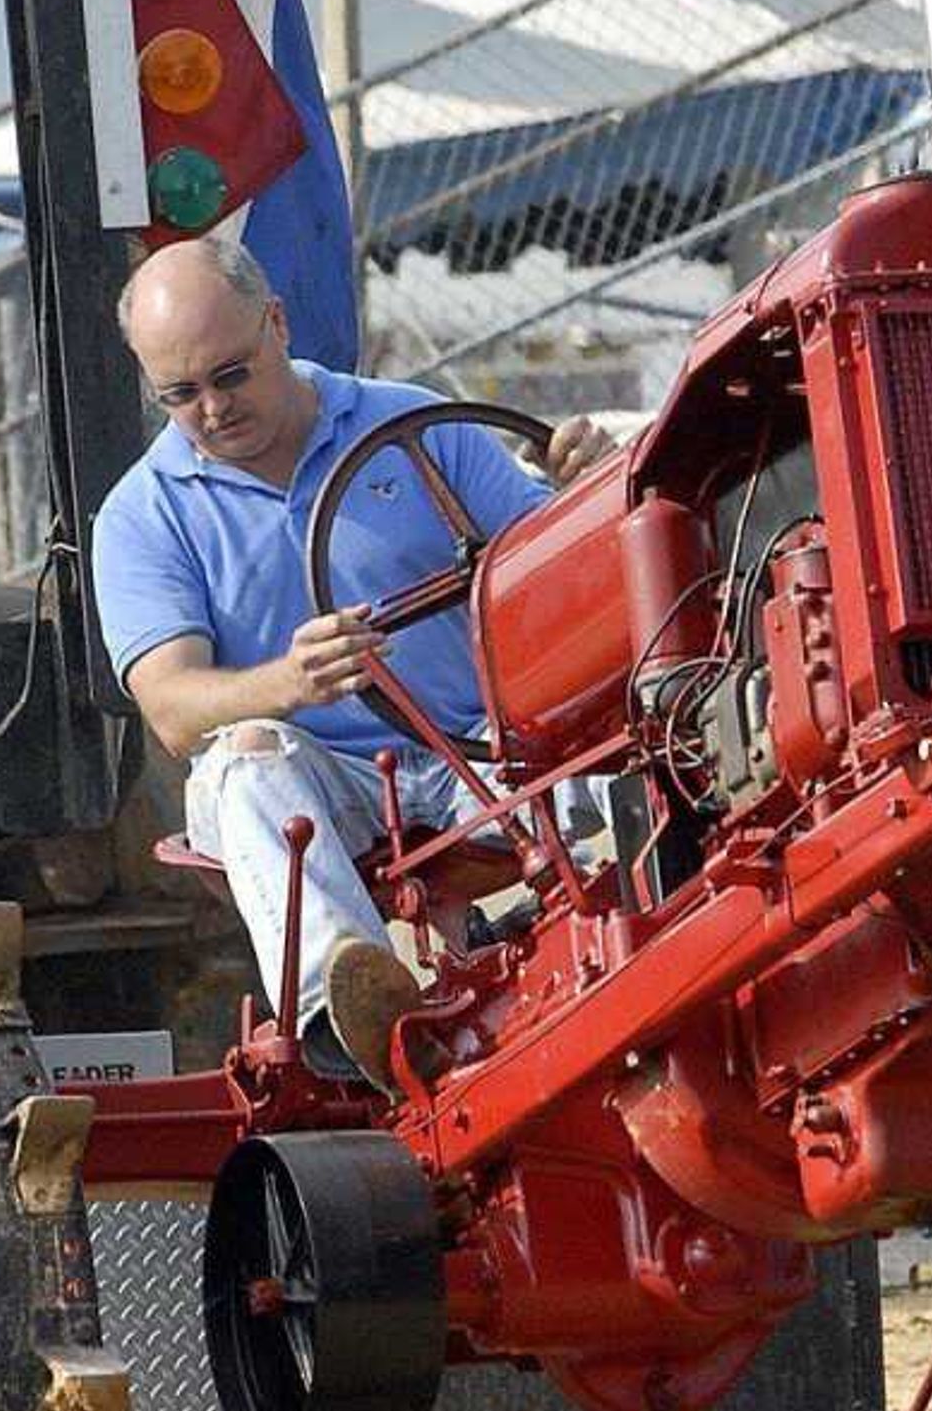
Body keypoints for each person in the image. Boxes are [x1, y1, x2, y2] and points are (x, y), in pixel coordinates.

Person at [90, 237, 608, 1078]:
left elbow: (557, 573)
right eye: (180, 395)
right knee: (240, 763)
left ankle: (635, 920)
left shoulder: (416, 429)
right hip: (327, 780)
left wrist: (589, 493)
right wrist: (285, 684)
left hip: (479, 747)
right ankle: (349, 1012)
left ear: (278, 325)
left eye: (231, 375)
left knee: (613, 720)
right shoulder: (143, 519)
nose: (213, 410)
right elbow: (173, 709)